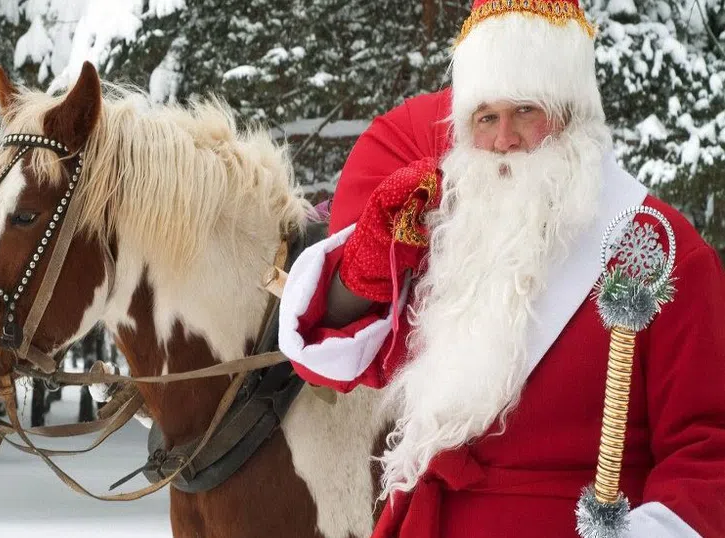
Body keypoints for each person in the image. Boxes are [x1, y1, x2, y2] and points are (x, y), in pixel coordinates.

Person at [277, 0, 725, 536]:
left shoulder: (657, 247)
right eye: (486, 118)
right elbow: (336, 363)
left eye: (526, 112)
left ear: (571, 113)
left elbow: (709, 451)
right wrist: (363, 273)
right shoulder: (456, 238)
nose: (504, 140)